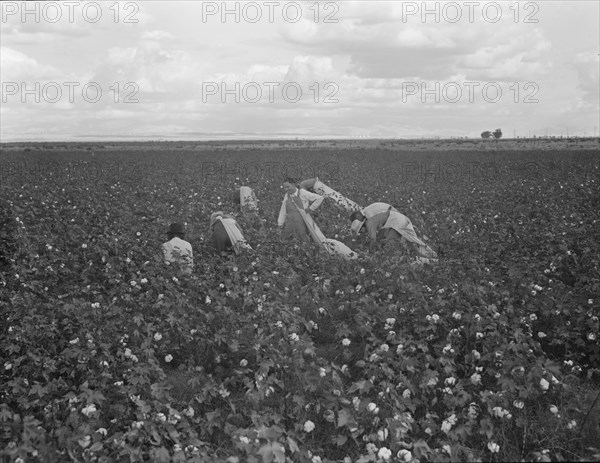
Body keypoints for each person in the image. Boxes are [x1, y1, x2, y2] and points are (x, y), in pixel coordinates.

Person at [350, 206, 438, 262]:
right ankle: (431, 257)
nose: (362, 233)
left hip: (397, 222)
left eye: (361, 231)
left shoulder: (369, 223)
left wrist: (370, 256)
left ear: (362, 227)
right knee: (410, 242)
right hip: (399, 220)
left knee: (391, 245)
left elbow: (373, 240)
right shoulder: (371, 220)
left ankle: (430, 259)